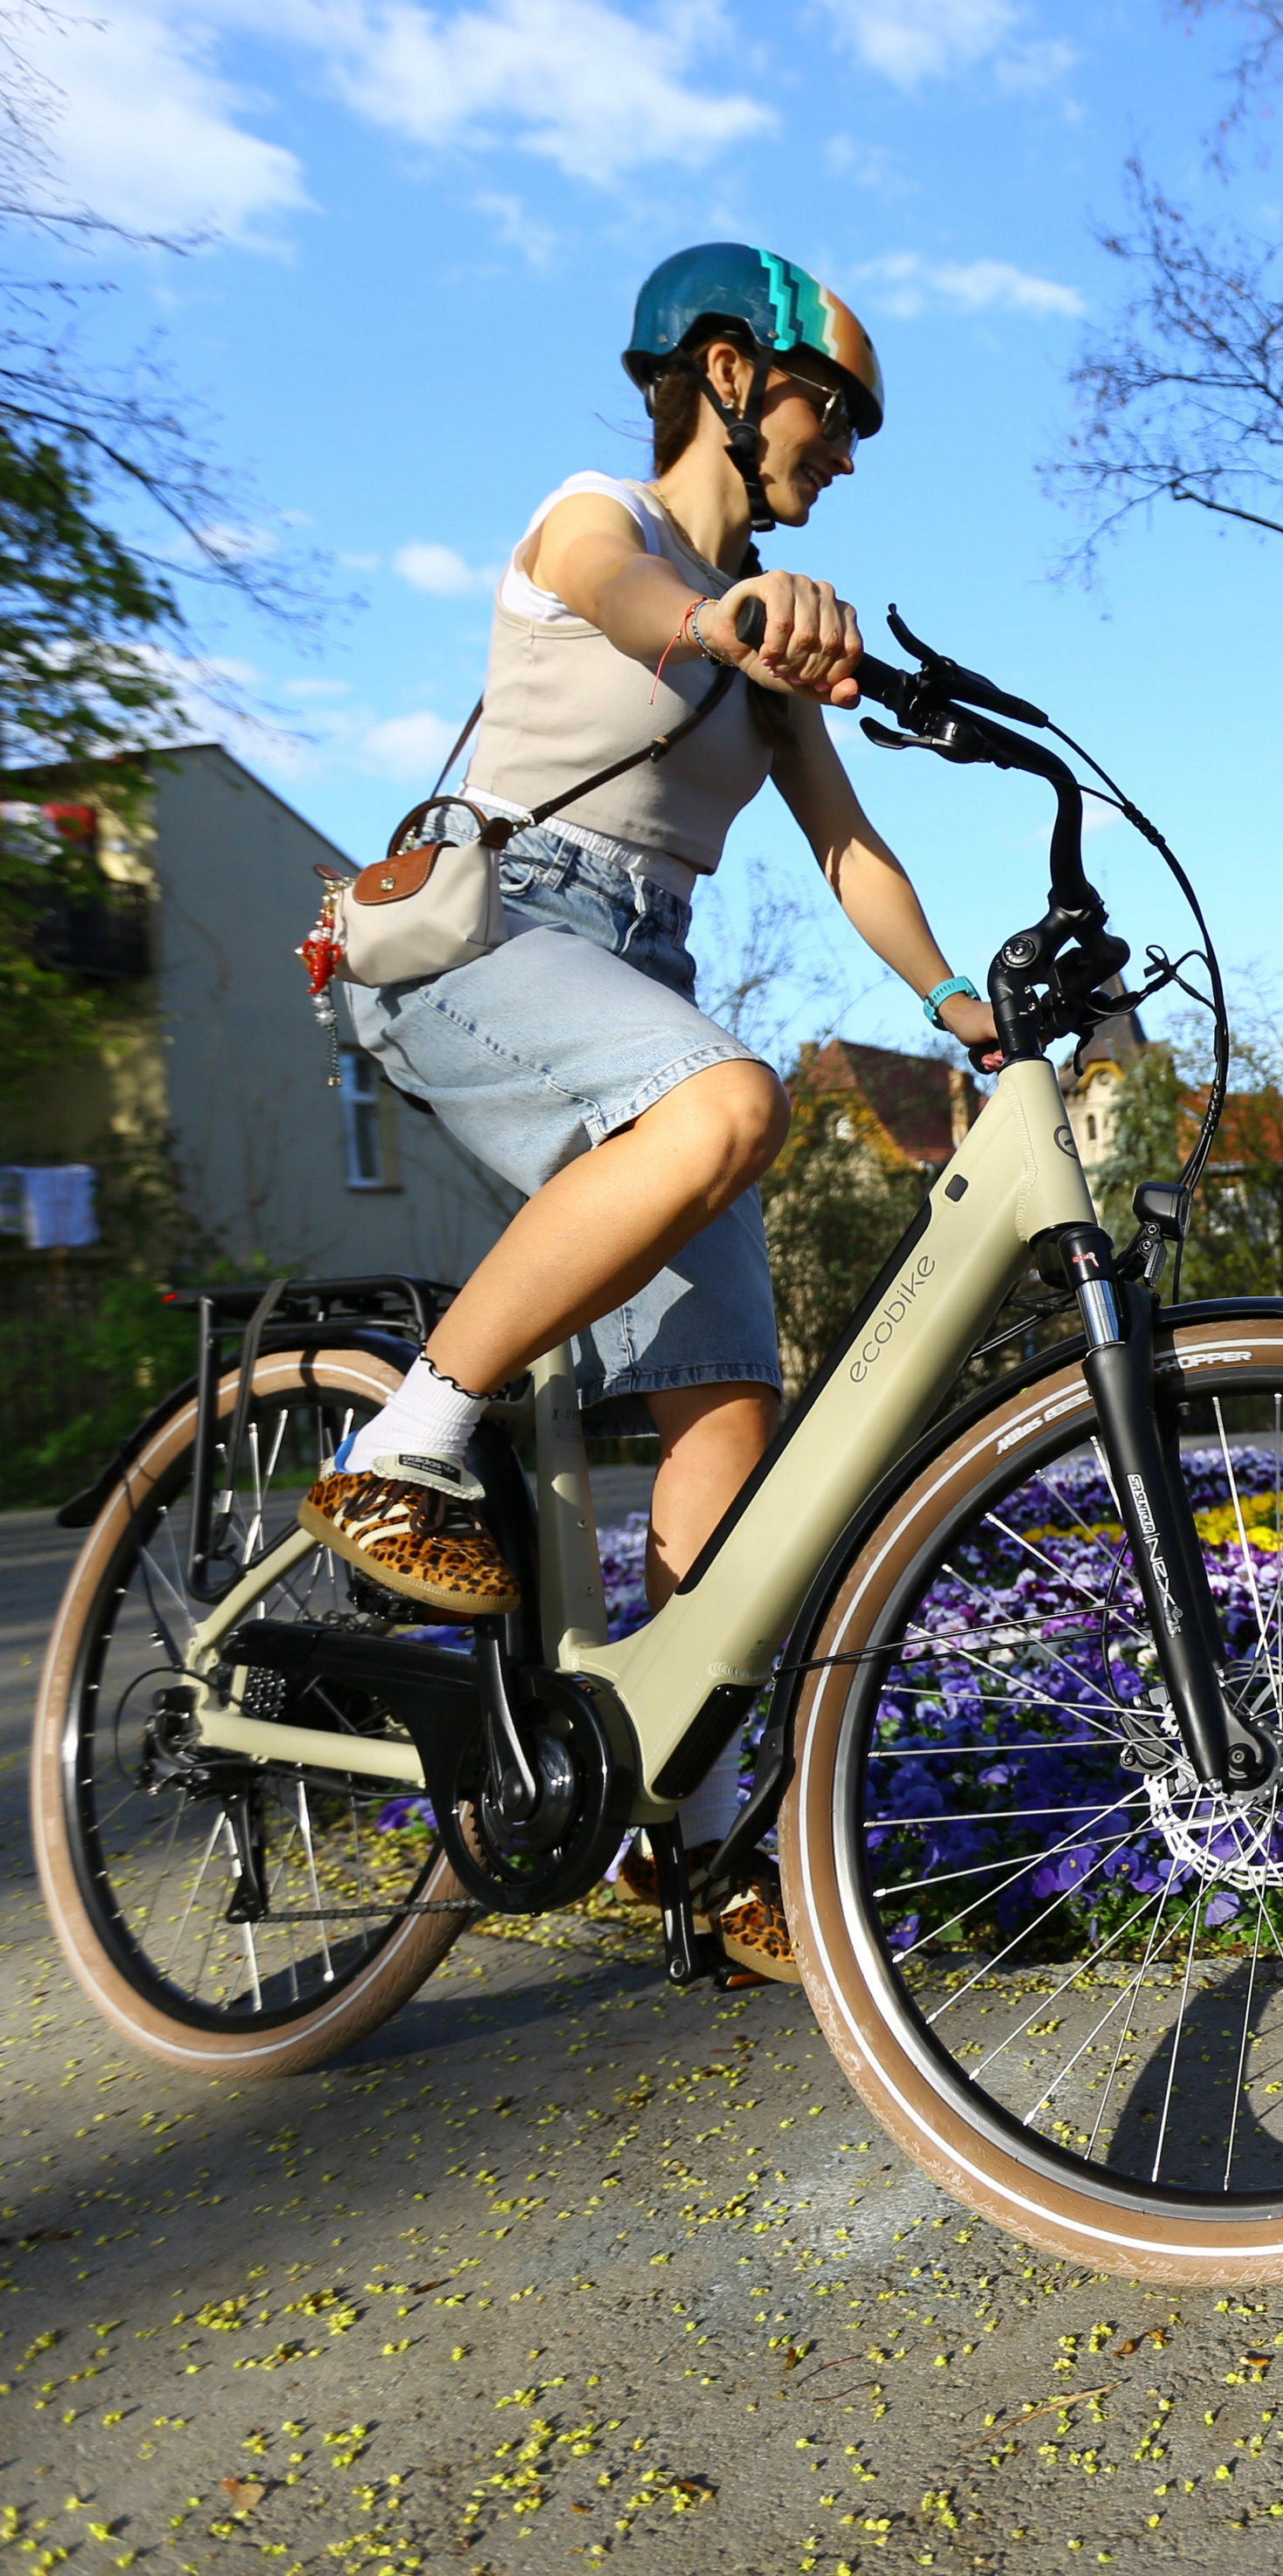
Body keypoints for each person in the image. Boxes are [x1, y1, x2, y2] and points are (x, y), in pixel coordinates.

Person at [304, 242, 998, 1977]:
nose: (848, 454)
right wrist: (715, 616)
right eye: (834, 411)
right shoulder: (594, 514)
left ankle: (686, 1828)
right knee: (728, 1107)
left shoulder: (770, 624)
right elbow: (625, 598)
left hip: (638, 985)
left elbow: (846, 845)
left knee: (726, 1403)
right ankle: (396, 1453)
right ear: (727, 372)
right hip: (489, 933)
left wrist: (955, 1004)